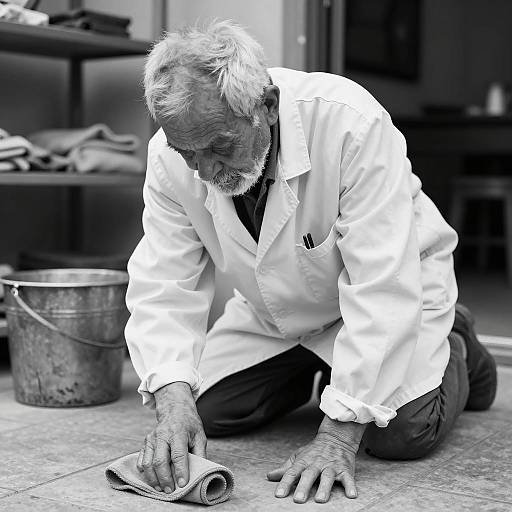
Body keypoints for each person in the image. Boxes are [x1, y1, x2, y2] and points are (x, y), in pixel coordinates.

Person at [125, 20, 497, 504]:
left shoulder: (351, 123)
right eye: (188, 154)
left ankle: (459, 340)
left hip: (393, 291)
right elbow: (163, 279)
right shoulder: (171, 156)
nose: (206, 171)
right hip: (280, 312)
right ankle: (329, 371)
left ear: (267, 107)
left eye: (220, 147)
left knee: (398, 435)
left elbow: (382, 282)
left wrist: (337, 436)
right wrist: (170, 400)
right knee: (206, 409)